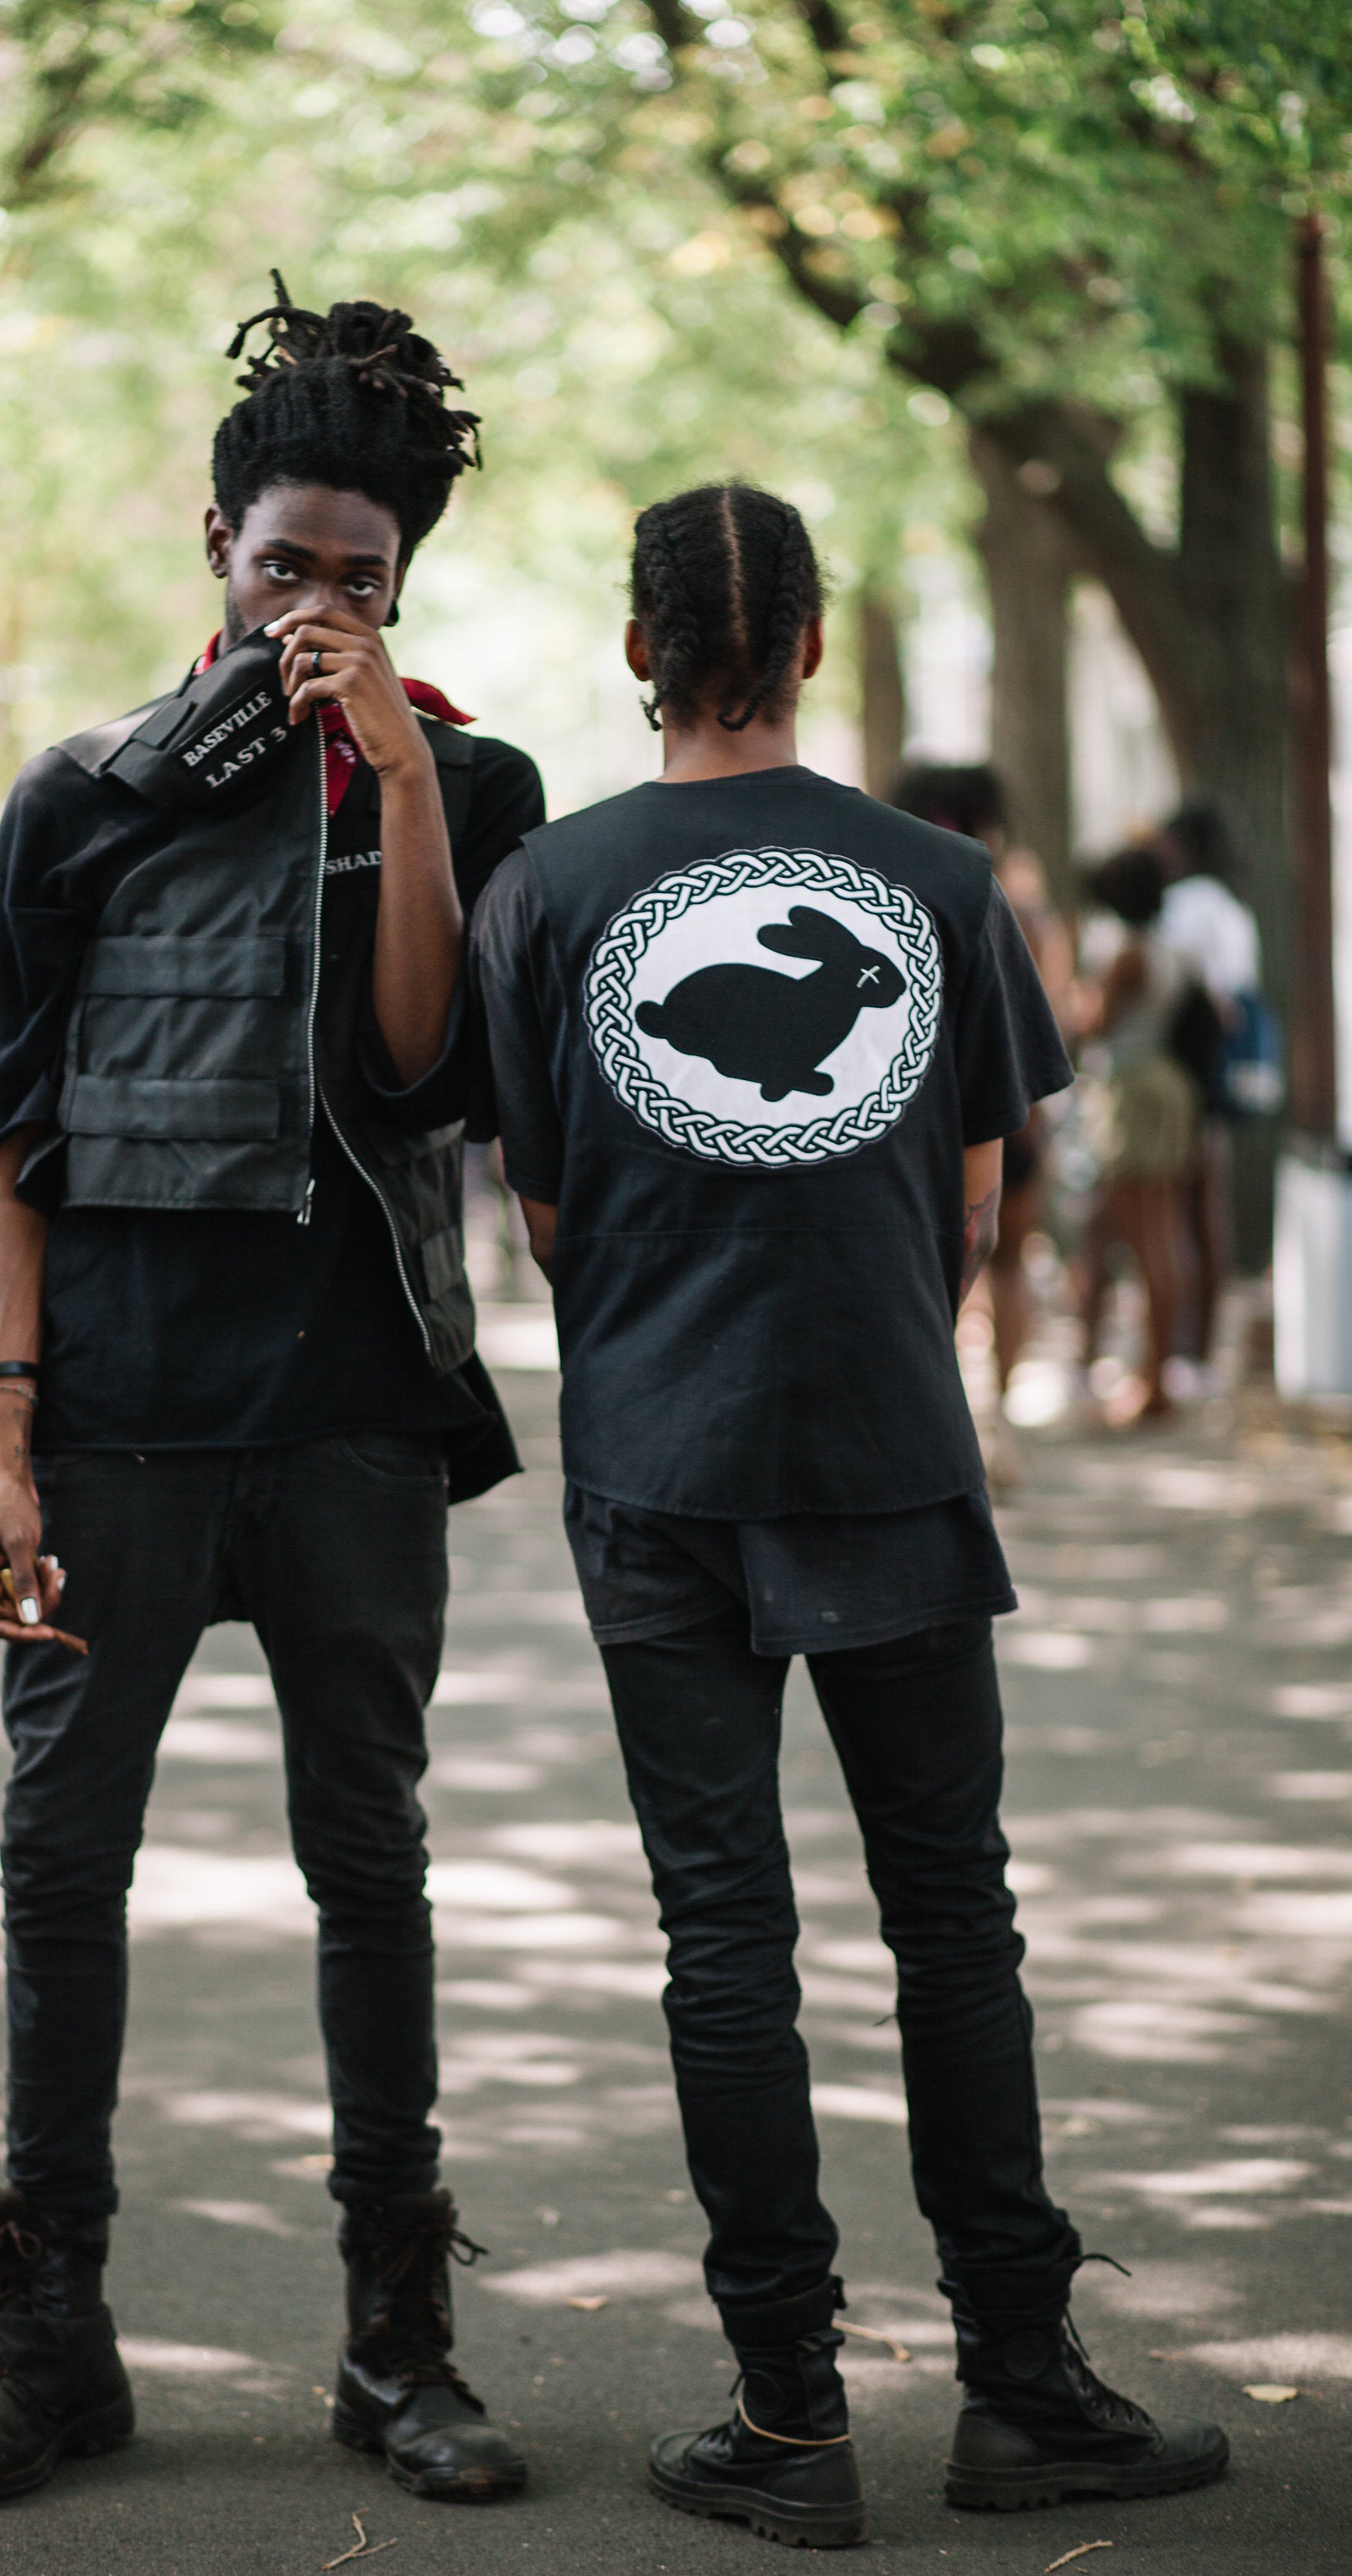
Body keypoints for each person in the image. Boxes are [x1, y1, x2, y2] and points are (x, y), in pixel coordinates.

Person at [471, 483, 1226, 2547]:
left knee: (725, 1936)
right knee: (947, 1912)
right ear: (809, 647)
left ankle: (790, 2417)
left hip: (657, 1464)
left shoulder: (542, 891)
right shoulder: (941, 881)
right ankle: (1018, 2386)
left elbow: (545, 1222)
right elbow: (979, 1206)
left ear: (639, 654)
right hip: (888, 1445)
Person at [0, 283, 542, 2511]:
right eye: (287, 567)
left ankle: (396, 2347)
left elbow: (417, 1065)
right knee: (58, 1866)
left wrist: (397, 787)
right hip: (112, 1426)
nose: (319, 608)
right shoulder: (80, 795)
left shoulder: (472, 777)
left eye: (360, 581)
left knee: (370, 1863)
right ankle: (44, 2336)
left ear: (402, 590)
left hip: (356, 1415)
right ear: (215, 548)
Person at [887, 763, 1072, 1416]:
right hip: (1013, 1115)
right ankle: (1000, 1413)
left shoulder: (894, 901)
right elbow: (1052, 1019)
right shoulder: (1019, 910)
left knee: (920, 1264)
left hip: (917, 1121)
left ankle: (945, 1403)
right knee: (1009, 1261)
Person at [1075, 847, 1199, 1426]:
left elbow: (1095, 1023)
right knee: (1166, 1231)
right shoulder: (1174, 951)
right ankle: (1162, 1372)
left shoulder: (1126, 954)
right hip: (1168, 1083)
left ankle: (1153, 1380)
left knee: (1144, 1236)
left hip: (1132, 1087)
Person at [1153, 797, 1269, 1379]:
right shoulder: (1234, 909)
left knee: (1181, 1211)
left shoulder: (1184, 908)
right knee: (1206, 1208)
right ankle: (1200, 1350)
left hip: (1187, 1071)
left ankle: (1185, 1350)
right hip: (1220, 1077)